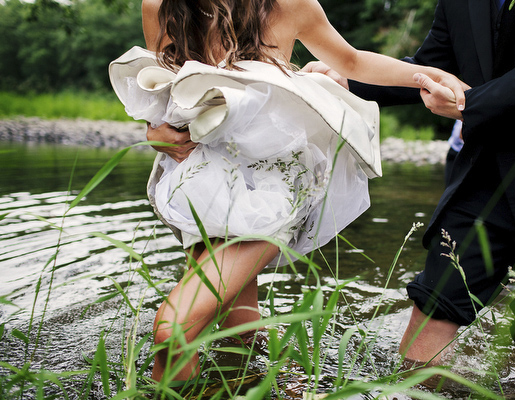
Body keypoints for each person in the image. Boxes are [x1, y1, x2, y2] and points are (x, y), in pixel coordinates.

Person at [109, 0, 468, 382]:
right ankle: (287, 383)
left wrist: (430, 73)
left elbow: (351, 61)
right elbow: (158, 86)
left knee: (173, 329)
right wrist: (154, 130)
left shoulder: (288, 4)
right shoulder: (162, 4)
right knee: (241, 331)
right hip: (199, 176)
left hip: (275, 186)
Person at [308, 0, 515, 375]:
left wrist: (471, 104)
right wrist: (350, 81)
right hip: (484, 176)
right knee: (431, 312)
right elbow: (433, 65)